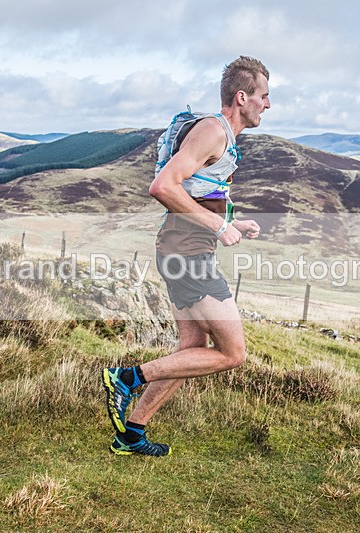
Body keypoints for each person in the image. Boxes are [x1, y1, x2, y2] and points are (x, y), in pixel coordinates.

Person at [102, 56, 271, 456]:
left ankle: (131, 433)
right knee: (232, 353)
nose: (268, 105)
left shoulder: (225, 137)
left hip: (184, 248)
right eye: (264, 96)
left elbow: (196, 190)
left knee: (191, 345)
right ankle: (127, 377)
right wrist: (218, 227)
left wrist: (233, 221)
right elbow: (162, 186)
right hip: (186, 253)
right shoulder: (213, 130)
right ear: (242, 96)